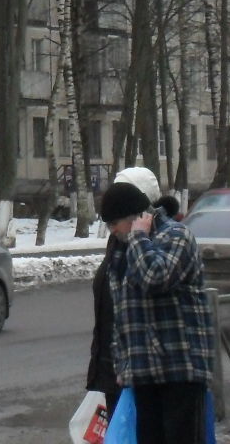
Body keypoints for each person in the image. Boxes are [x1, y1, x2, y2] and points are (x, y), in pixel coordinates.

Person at [99, 177, 213, 442]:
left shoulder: (176, 236)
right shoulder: (123, 249)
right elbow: (121, 313)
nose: (112, 231)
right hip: (143, 372)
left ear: (137, 217)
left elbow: (155, 277)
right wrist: (122, 364)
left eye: (114, 224)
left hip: (180, 369)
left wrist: (139, 237)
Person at [88, 166, 162, 410]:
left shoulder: (152, 240)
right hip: (116, 362)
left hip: (142, 366)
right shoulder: (118, 241)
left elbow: (151, 283)